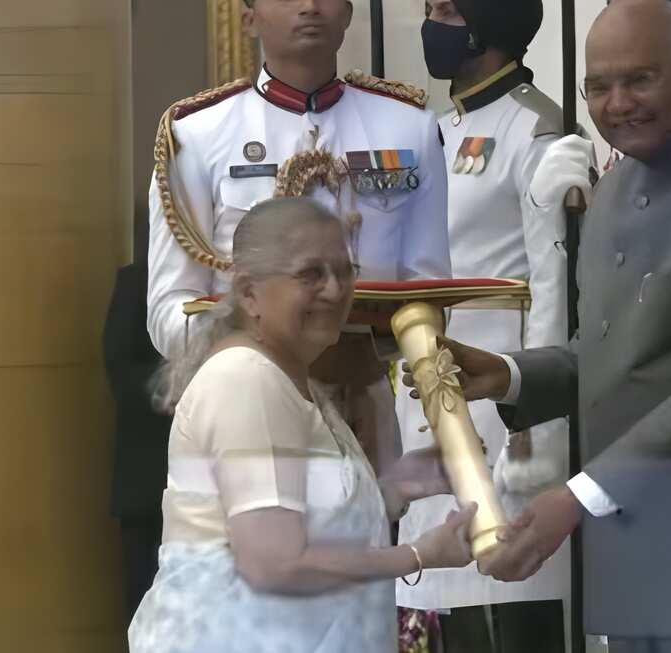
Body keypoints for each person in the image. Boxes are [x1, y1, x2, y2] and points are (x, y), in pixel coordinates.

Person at [403, 2, 671, 651]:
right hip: (639, 565)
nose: (617, 104)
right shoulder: (614, 186)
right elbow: (611, 349)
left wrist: (576, 496)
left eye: (639, 80)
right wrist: (508, 373)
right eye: (599, 87)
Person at [129, 198, 475, 653]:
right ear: (249, 292)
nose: (335, 290)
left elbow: (304, 514)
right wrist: (417, 555)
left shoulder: (287, 374)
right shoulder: (244, 379)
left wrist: (399, 485)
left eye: (344, 270)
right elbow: (275, 564)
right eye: (310, 274)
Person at [147, 0, 451, 474]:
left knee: (368, 542)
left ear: (349, 13)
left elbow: (429, 290)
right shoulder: (197, 135)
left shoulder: (407, 125)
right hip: (242, 405)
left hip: (362, 403)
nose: (309, 6)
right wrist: (258, 349)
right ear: (248, 19)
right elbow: (169, 308)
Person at [396, 1, 573, 651]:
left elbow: (554, 299)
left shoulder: (537, 131)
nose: (431, 20)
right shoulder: (432, 130)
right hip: (425, 414)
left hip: (498, 429)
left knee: (500, 620)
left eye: (445, 7)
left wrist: (539, 446)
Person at [103, 260, 173, 626]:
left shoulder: (252, 279)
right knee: (147, 615)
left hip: (233, 489)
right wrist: (190, 383)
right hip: (149, 484)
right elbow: (122, 373)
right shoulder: (138, 280)